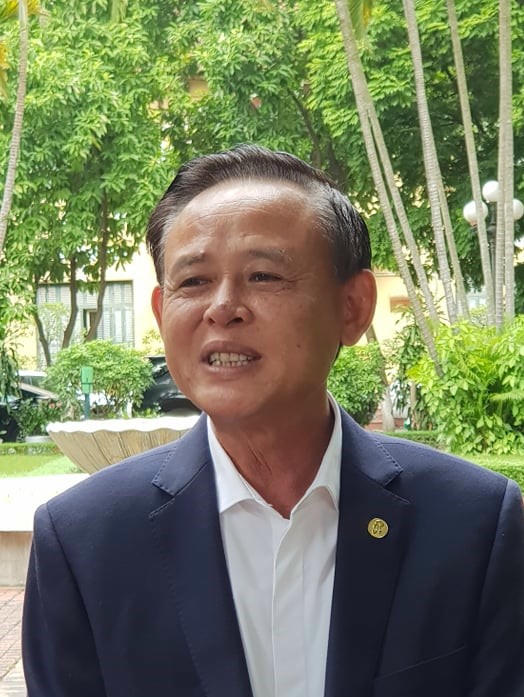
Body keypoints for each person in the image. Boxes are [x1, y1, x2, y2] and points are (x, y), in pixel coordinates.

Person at [23, 145, 524, 697]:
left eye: (263, 275)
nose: (223, 307)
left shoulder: (475, 525)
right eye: (193, 282)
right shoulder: (83, 542)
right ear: (163, 314)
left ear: (353, 307)